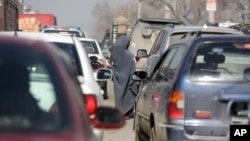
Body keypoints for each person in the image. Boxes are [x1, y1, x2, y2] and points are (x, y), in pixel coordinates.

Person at [110, 35, 142, 119]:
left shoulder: (118, 52)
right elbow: (127, 62)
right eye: (128, 43)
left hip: (119, 80)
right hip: (125, 79)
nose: (129, 44)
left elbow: (126, 62)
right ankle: (123, 112)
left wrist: (135, 59)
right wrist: (134, 59)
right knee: (126, 94)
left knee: (121, 95)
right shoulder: (125, 54)